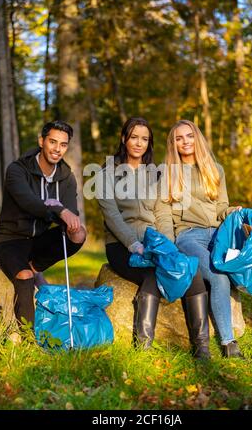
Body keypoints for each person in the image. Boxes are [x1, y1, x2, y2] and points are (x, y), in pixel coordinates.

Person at [163, 119, 252, 356]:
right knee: (219, 277)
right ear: (173, 144)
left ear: (197, 138)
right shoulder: (167, 174)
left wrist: (234, 212)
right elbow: (165, 215)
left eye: (189, 136)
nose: (185, 142)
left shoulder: (214, 169)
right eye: (179, 138)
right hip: (188, 237)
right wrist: (170, 245)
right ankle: (228, 343)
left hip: (219, 233)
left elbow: (221, 208)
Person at [96, 117, 210, 359]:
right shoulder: (106, 174)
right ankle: (143, 349)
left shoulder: (155, 174)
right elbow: (112, 217)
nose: (139, 143)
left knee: (191, 271)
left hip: (154, 242)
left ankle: (201, 349)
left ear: (149, 143)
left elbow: (162, 213)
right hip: (121, 245)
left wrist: (168, 245)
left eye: (145, 139)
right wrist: (133, 244)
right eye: (134, 137)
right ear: (124, 138)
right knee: (152, 275)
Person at [0, 120, 86, 328]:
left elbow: (71, 214)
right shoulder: (17, 169)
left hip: (38, 241)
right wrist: (58, 209)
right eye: (53, 142)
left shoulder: (66, 177)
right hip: (10, 239)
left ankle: (36, 266)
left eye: (63, 144)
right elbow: (28, 203)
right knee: (24, 276)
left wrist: (67, 216)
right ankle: (28, 339)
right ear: (42, 141)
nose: (57, 149)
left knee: (78, 234)